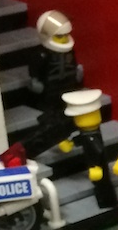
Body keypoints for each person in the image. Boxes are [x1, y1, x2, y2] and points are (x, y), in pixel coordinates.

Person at [22, 11, 84, 158]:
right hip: (50, 92)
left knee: (69, 115)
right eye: (59, 36)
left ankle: (69, 137)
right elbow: (35, 70)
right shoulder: (41, 54)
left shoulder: (69, 52)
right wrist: (35, 82)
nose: (64, 39)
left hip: (68, 88)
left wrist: (77, 73)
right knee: (51, 117)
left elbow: (73, 64)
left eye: (65, 35)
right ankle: (54, 137)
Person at [59, 88, 117, 208]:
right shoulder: (87, 134)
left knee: (102, 183)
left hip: (96, 165)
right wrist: (71, 143)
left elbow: (98, 150)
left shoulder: (92, 137)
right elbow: (83, 139)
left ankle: (107, 201)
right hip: (92, 162)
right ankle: (105, 199)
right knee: (99, 182)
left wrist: (96, 165)